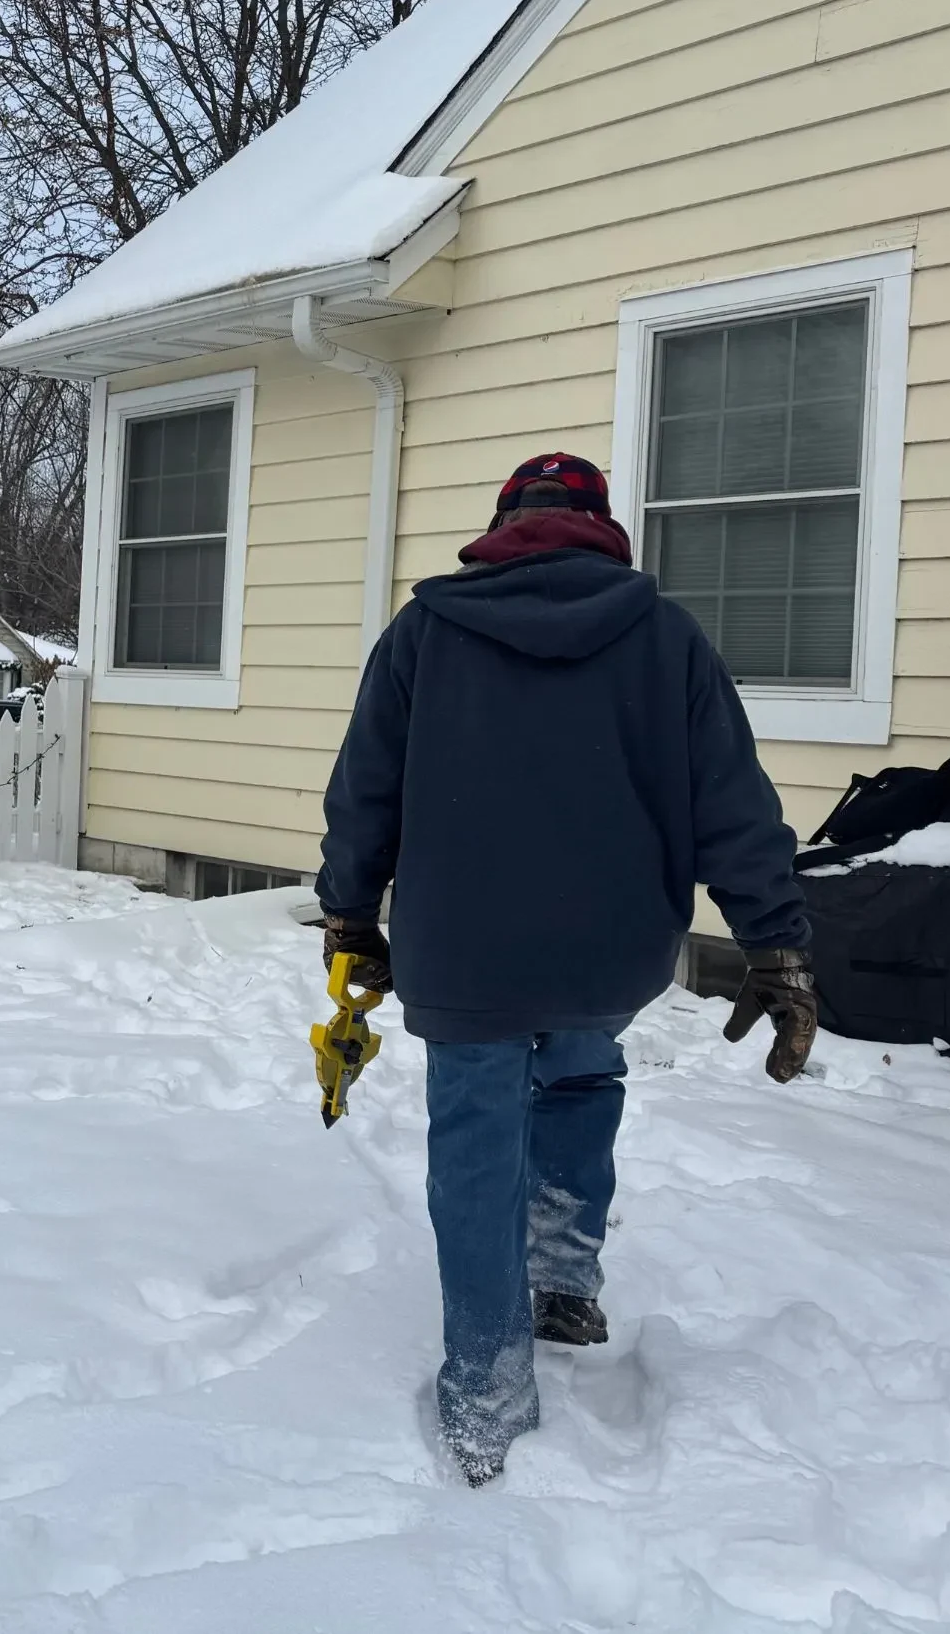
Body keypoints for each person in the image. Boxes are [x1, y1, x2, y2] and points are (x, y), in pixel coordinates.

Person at [313, 451, 821, 1488]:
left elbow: (365, 786)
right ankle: (561, 1276)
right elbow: (731, 798)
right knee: (582, 1078)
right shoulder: (665, 639)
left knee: (475, 1139)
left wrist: (351, 913)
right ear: (603, 530)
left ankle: (487, 1379)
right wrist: (774, 941)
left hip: (465, 946)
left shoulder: (424, 634)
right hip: (611, 942)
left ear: (499, 525)